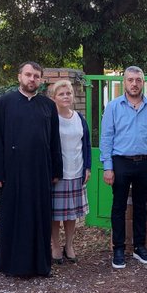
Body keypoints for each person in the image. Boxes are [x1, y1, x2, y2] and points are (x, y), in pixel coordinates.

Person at [0, 61, 62, 277]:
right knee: (13, 217)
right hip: (12, 172)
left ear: (41, 80)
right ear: (19, 76)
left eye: (36, 76)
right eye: (28, 75)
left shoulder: (48, 106)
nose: (32, 79)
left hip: (41, 171)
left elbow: (54, 140)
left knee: (39, 216)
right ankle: (10, 265)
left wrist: (56, 170)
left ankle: (40, 265)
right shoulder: (4, 103)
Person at [100, 66, 147, 269]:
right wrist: (108, 167)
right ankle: (118, 249)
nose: (134, 84)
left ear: (143, 82)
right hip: (120, 162)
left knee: (140, 206)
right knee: (119, 206)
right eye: (130, 80)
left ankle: (139, 246)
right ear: (124, 82)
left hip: (145, 163)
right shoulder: (113, 107)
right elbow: (106, 138)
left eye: (138, 80)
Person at [48, 80, 91, 264]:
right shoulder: (51, 120)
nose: (66, 96)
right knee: (55, 214)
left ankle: (69, 245)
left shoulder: (79, 118)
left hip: (77, 172)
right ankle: (56, 246)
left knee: (71, 214)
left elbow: (86, 144)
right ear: (54, 98)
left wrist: (87, 167)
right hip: (58, 175)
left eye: (69, 93)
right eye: (61, 94)